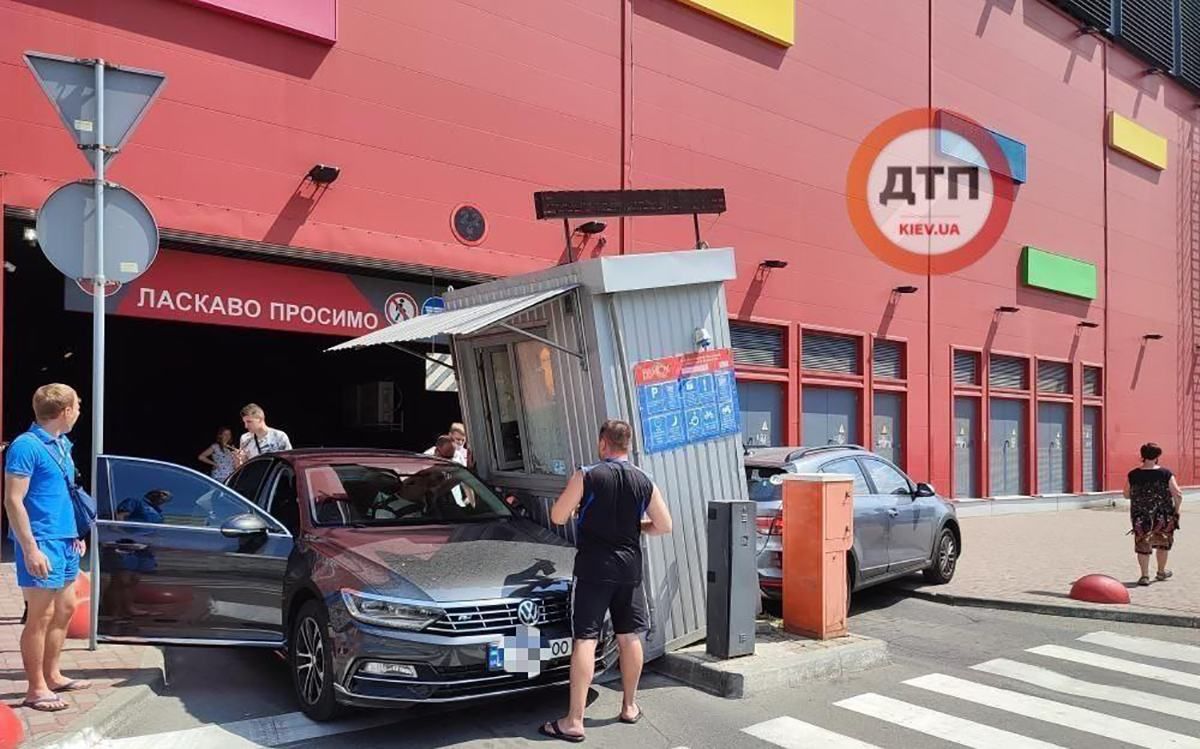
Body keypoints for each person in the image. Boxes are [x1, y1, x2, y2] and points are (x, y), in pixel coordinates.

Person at [539, 420, 672, 743]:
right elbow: (664, 525)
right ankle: (629, 706)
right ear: (627, 445)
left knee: (585, 638)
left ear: (603, 444)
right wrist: (637, 527)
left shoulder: (588, 474)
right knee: (629, 636)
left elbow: (557, 516)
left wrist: (576, 511)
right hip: (629, 569)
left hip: (594, 568)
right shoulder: (644, 479)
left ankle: (574, 720)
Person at [3, 384, 91, 713]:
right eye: (77, 406)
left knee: (65, 609)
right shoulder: (26, 446)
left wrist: (75, 533)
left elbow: (63, 494)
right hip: (41, 542)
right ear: (65, 411)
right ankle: (35, 688)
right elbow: (12, 500)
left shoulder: (61, 444)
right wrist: (29, 548)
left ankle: (52, 675)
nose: (80, 411)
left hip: (65, 539)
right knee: (40, 617)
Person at [1124, 442, 1183, 586]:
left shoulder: (1133, 474)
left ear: (1142, 456)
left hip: (1140, 515)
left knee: (1143, 543)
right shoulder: (1165, 473)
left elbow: (1126, 494)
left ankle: (1144, 576)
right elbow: (1178, 494)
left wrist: (1141, 498)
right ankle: (1161, 572)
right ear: (1157, 456)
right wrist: (1177, 510)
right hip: (1163, 515)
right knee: (1162, 543)